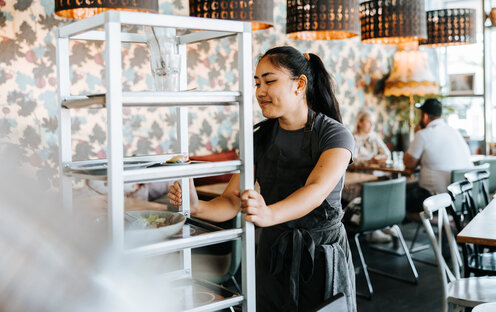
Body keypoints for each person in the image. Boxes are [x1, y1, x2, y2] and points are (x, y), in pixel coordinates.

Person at [168, 46, 356, 312]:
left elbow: (315, 191)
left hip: (321, 254)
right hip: (272, 253)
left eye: (269, 81)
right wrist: (197, 207)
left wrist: (267, 214)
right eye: (257, 83)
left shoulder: (335, 135)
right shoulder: (259, 138)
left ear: (299, 84)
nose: (260, 92)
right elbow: (230, 202)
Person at [403, 98, 473, 212]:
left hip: (436, 199)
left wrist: (416, 135)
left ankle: (439, 220)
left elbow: (409, 164)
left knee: (398, 201)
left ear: (425, 116)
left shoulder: (423, 135)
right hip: (462, 197)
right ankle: (447, 220)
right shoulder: (455, 132)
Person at [345, 109, 394, 243]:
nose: (372, 126)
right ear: (359, 122)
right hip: (356, 177)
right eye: (369, 122)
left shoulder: (374, 138)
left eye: (373, 123)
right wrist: (369, 161)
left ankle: (383, 223)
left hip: (373, 176)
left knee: (386, 185)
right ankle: (372, 229)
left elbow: (387, 154)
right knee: (372, 189)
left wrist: (382, 157)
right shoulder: (351, 138)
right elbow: (350, 160)